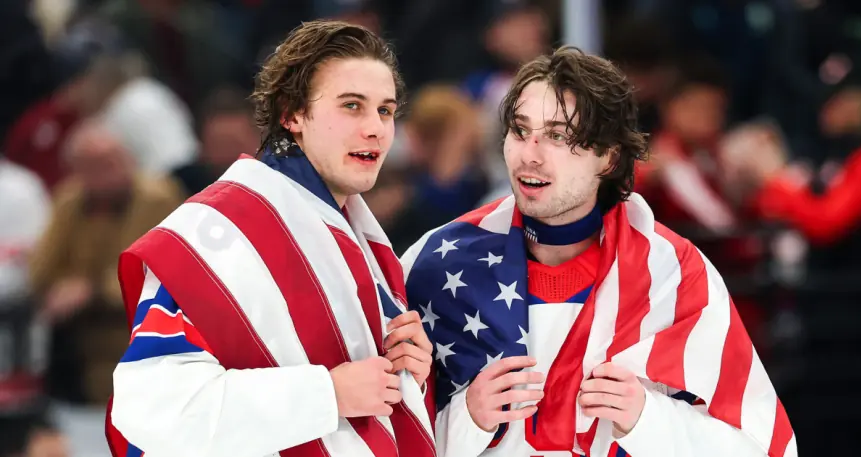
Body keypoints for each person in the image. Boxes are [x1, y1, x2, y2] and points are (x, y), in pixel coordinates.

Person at [401, 46, 797, 457]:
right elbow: (370, 436)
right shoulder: (437, 263)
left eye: (557, 136)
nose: (529, 155)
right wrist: (466, 418)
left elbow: (762, 446)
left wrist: (649, 417)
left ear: (607, 157)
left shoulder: (673, 276)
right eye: (520, 130)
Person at [106, 21, 436, 457]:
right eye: (352, 106)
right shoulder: (215, 238)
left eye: (385, 110)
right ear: (291, 113)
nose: (375, 128)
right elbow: (151, 412)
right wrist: (327, 394)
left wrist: (413, 374)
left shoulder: (361, 242)